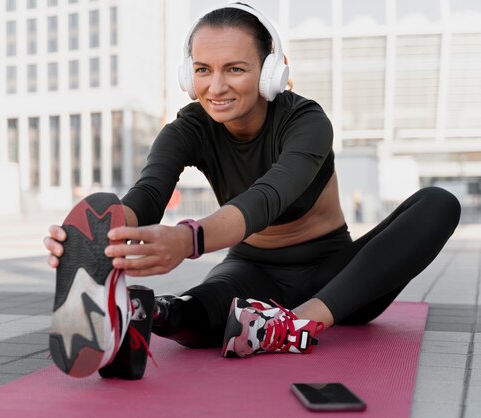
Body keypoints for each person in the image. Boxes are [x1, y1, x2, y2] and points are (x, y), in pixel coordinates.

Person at [43, 3, 460, 378]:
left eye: (235, 69)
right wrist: (103, 236)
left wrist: (188, 238)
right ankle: (141, 313)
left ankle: (296, 325)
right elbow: (148, 195)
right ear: (189, 75)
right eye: (203, 69)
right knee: (197, 308)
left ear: (272, 71)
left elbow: (268, 197)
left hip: (339, 277)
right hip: (253, 269)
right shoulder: (188, 128)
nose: (216, 87)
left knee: (439, 204)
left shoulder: (306, 121)